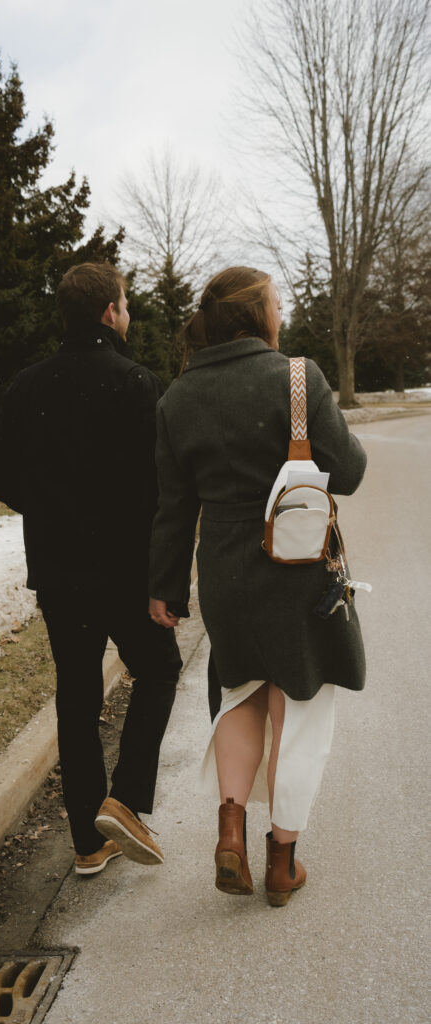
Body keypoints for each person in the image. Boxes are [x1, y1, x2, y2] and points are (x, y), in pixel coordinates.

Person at [148, 266, 366, 906]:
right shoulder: (297, 378)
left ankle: (230, 832)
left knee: (239, 690)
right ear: (255, 314)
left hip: (224, 571)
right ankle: (281, 864)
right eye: (276, 300)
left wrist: (163, 586)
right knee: (296, 707)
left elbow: (172, 506)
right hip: (295, 571)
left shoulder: (176, 398)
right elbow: (347, 472)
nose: (282, 308)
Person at [0, 262, 182, 876]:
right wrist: (163, 577)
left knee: (77, 694)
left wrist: (45, 507)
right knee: (159, 666)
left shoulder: (26, 385)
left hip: (59, 572)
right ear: (106, 313)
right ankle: (124, 800)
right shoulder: (134, 383)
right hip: (122, 568)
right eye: (124, 305)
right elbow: (157, 487)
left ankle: (87, 844)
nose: (128, 314)